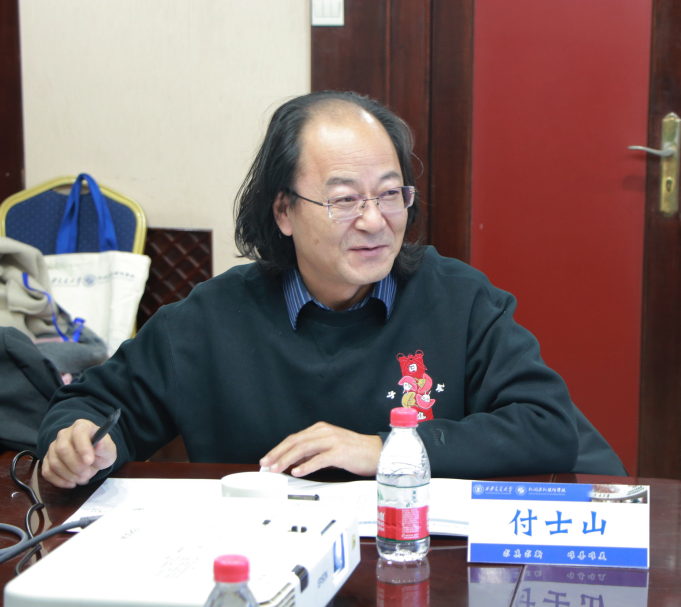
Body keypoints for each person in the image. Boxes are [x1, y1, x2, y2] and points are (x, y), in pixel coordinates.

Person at [37, 91, 625, 489]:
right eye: (344, 199)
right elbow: (88, 408)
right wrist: (78, 446)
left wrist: (384, 450)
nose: (374, 220)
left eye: (390, 194)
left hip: (416, 565)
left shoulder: (459, 299)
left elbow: (547, 427)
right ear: (284, 211)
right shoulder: (209, 320)